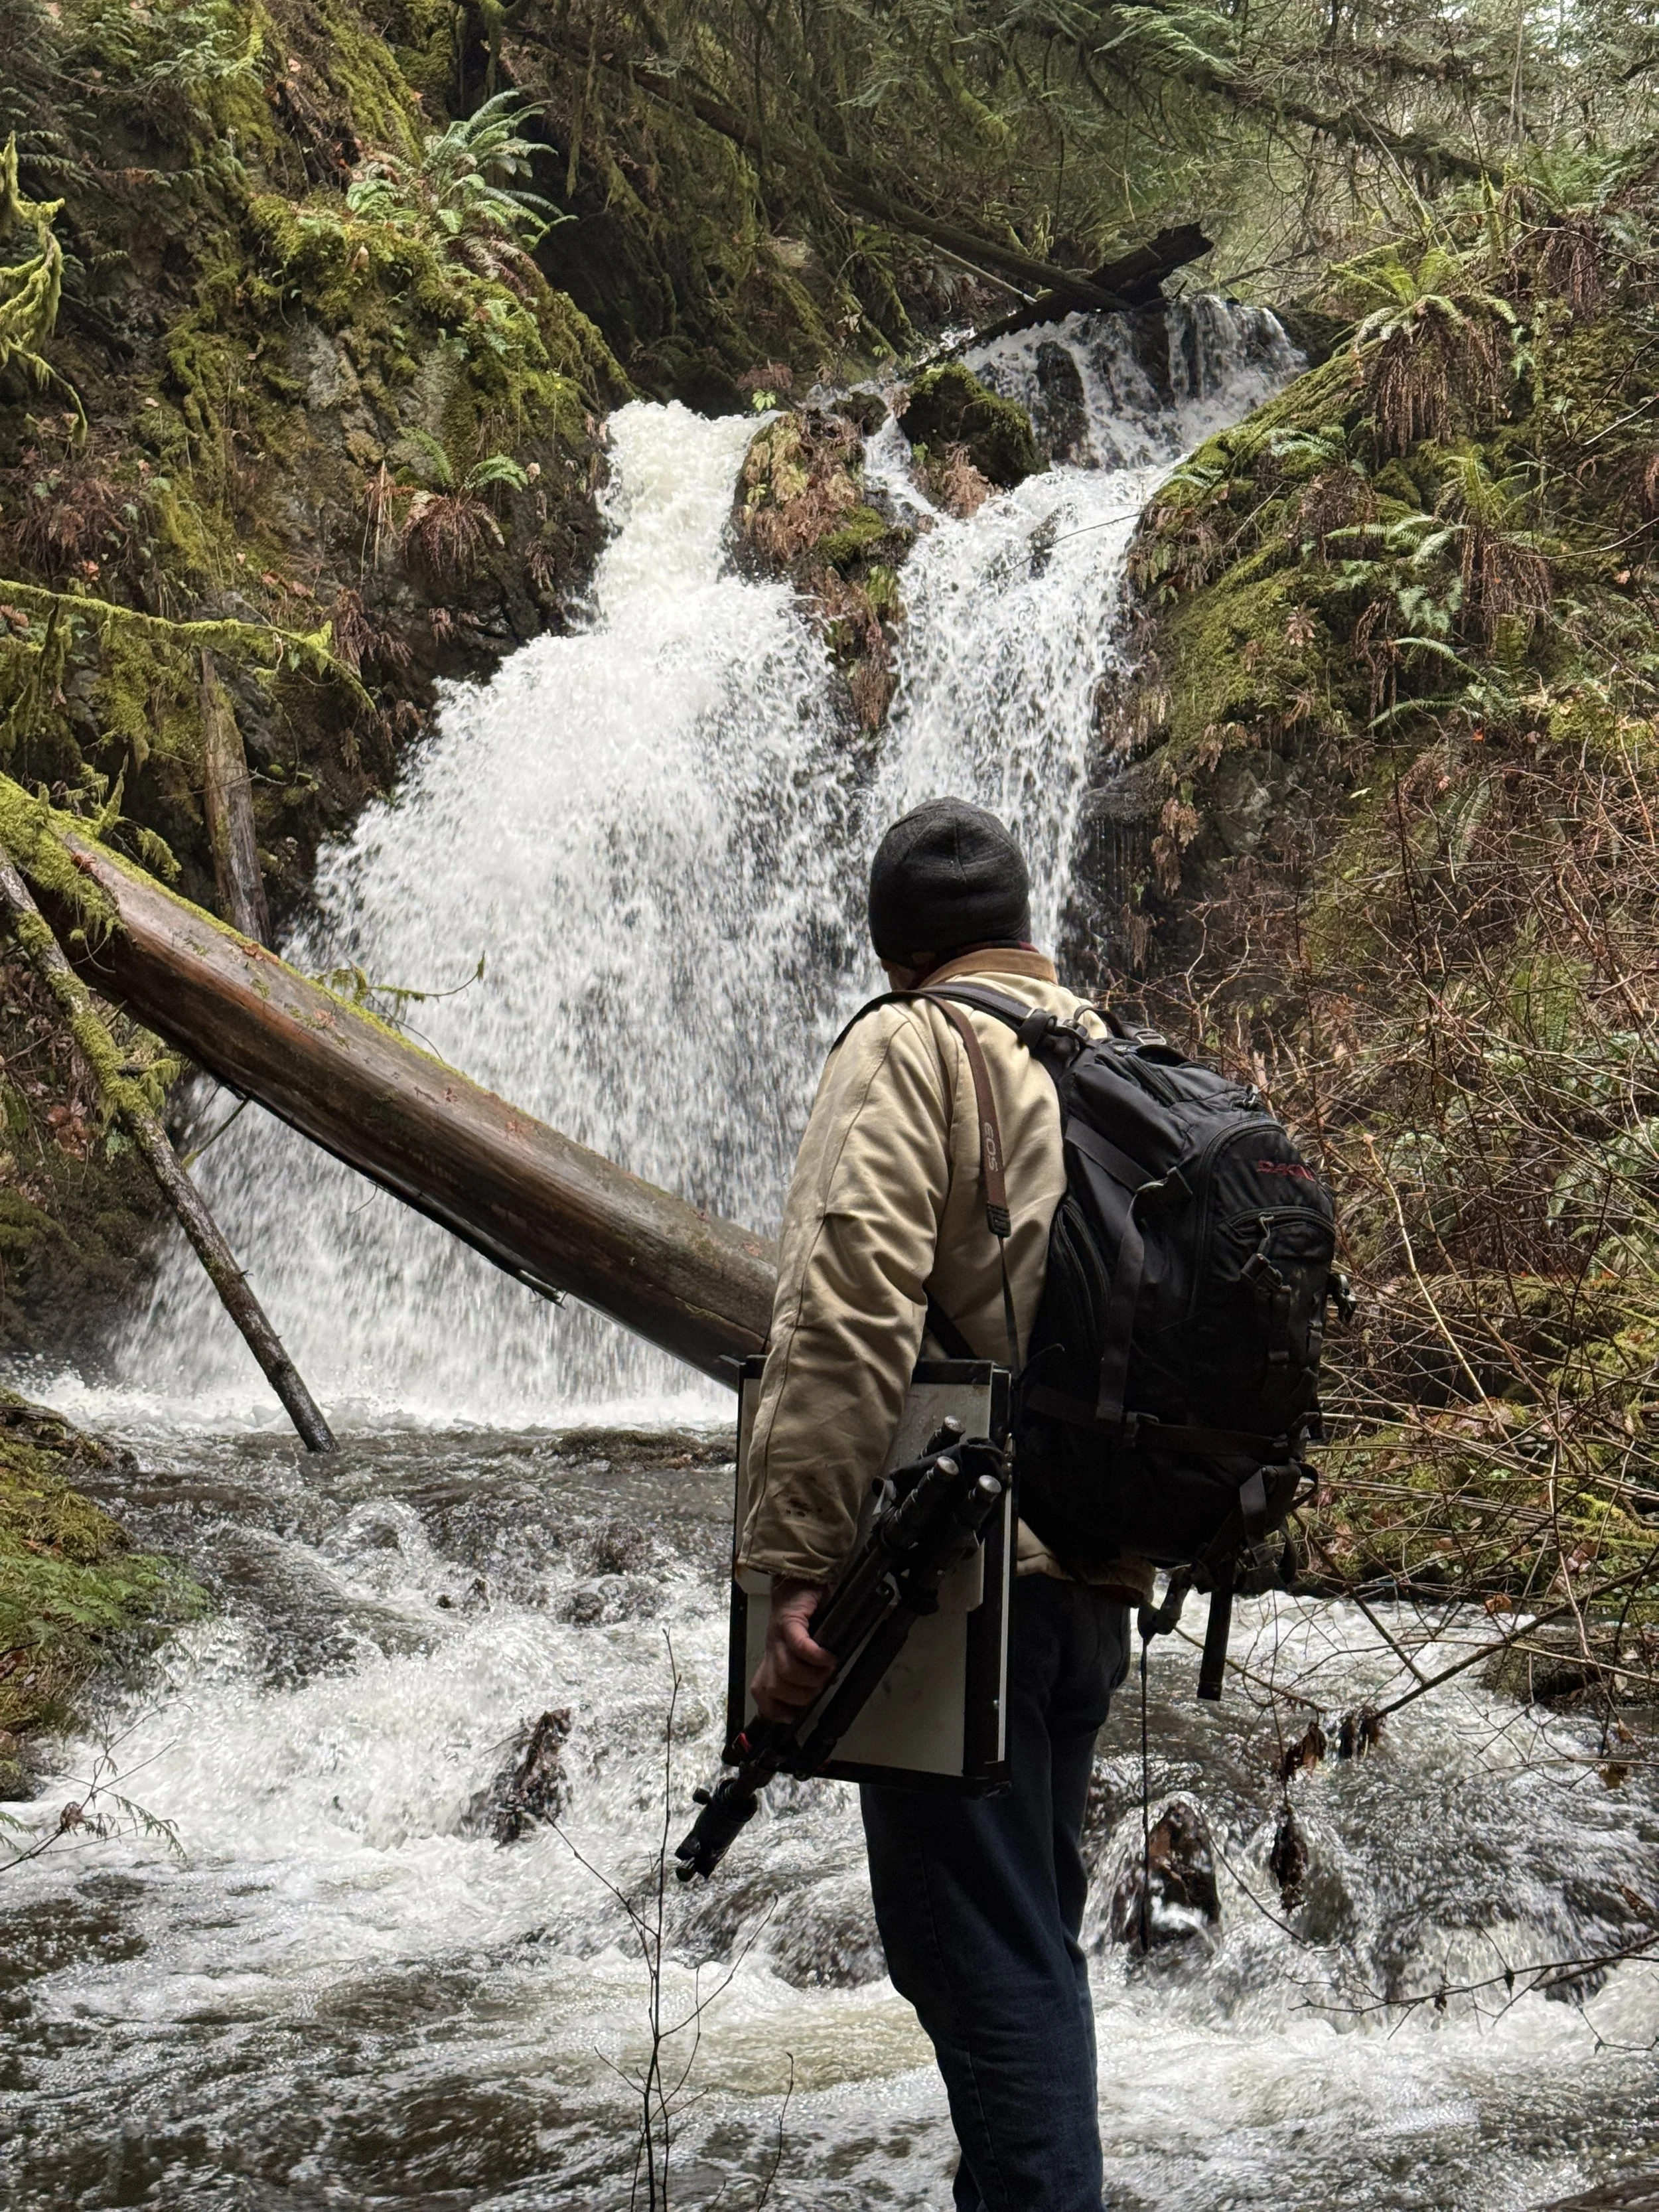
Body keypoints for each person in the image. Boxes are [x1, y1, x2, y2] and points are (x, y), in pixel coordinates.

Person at [737, 795, 1151, 2212]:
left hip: (957, 1587)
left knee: (972, 1954)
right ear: (1022, 928)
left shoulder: (913, 1046)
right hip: (1095, 1569)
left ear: (896, 950)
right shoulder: (1105, 1054)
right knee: (1028, 1936)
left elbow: (844, 1314)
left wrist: (791, 1569)